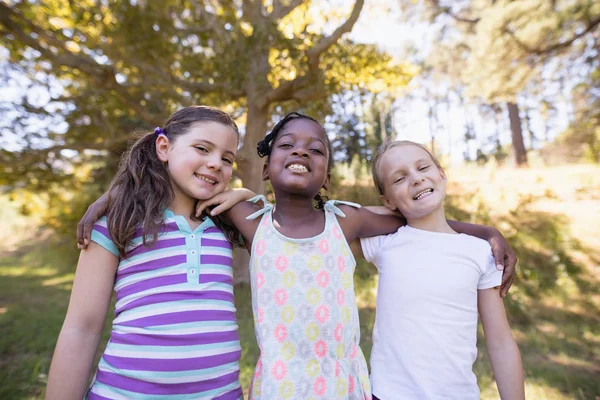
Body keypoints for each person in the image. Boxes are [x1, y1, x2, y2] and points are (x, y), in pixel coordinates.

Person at [76, 112, 517, 399]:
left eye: (316, 148)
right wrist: (116, 194)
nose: (302, 150)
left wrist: (481, 231)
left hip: (345, 387)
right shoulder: (248, 217)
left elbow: (415, 214)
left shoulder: (348, 220)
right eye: (287, 145)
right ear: (266, 168)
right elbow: (175, 191)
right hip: (279, 388)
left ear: (326, 173)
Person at [46, 106, 254, 400]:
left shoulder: (228, 226)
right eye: (202, 148)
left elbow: (289, 231)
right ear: (164, 147)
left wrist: (244, 196)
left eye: (227, 158)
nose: (216, 163)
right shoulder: (116, 224)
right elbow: (82, 328)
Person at [358, 140, 524, 400]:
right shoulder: (385, 242)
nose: (416, 179)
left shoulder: (481, 252)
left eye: (423, 167)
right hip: (388, 394)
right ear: (387, 200)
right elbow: (342, 216)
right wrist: (404, 211)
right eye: (399, 179)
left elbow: (500, 342)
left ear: (441, 173)